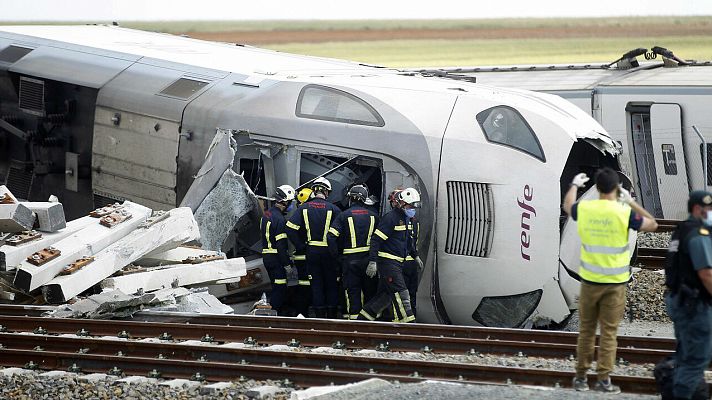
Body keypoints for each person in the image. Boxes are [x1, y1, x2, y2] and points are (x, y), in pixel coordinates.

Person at [563, 167, 658, 393]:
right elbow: (652, 224)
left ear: (596, 188)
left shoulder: (586, 208)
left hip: (589, 283)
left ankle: (581, 378)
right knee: (608, 333)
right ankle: (604, 380)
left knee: (586, 332)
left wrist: (574, 185)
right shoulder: (624, 212)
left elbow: (567, 207)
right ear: (616, 189)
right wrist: (631, 201)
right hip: (615, 284)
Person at [663, 190, 712, 399]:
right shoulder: (698, 235)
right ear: (698, 209)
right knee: (695, 361)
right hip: (694, 305)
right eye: (709, 208)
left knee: (686, 355)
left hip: (680, 300)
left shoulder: (681, 230)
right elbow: (706, 274)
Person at [358, 187, 423, 323]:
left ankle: (361, 321)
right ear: (402, 203)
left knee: (384, 297)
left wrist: (415, 255)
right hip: (388, 263)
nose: (412, 209)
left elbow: (407, 241)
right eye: (410, 206)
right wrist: (373, 262)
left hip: (399, 263)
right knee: (401, 294)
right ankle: (409, 325)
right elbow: (376, 240)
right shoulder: (391, 218)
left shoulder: (406, 218)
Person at [286, 177, 341, 318]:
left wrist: (300, 245)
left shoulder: (304, 208)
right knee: (331, 284)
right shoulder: (334, 209)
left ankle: (320, 317)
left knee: (316, 284)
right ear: (327, 192)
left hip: (312, 252)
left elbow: (290, 228)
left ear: (314, 190)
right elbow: (341, 233)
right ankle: (332, 316)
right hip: (329, 252)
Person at [327, 184, 379, 320]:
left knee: (353, 292)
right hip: (369, 261)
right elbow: (380, 240)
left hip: (349, 261)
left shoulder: (343, 216)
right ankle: (370, 323)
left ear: (350, 198)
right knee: (370, 292)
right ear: (364, 199)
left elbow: (331, 237)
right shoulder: (374, 216)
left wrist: (336, 256)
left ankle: (355, 322)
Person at [259, 184, 296, 316]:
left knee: (275, 286)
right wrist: (287, 264)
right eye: (290, 202)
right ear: (284, 201)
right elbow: (281, 246)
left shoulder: (266, 215)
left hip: (267, 257)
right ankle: (272, 316)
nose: (291, 205)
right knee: (280, 289)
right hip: (276, 259)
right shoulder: (280, 219)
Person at [290, 187, 314, 317]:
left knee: (303, 286)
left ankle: (302, 312)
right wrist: (301, 246)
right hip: (304, 255)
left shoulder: (300, 212)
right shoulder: (304, 212)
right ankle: (302, 313)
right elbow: (291, 229)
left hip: (301, 256)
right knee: (306, 287)